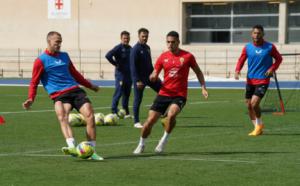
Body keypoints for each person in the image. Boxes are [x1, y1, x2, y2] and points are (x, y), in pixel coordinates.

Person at [22, 31, 103, 160]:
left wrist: (90, 86)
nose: (59, 44)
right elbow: (34, 81)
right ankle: (71, 146)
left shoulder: (65, 56)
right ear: (49, 42)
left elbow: (75, 74)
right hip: (59, 95)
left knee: (90, 115)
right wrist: (31, 98)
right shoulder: (40, 61)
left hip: (75, 91)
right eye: (57, 42)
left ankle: (91, 151)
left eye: (60, 42)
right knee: (62, 115)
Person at [133, 31, 208, 154]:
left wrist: (203, 87)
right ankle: (141, 144)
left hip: (179, 94)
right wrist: (153, 76)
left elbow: (198, 72)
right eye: (168, 42)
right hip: (164, 93)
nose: (170, 44)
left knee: (171, 115)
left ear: (178, 42)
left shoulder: (188, 56)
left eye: (173, 42)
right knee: (149, 122)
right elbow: (155, 73)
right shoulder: (163, 57)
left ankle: (163, 140)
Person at [235, 25, 282, 136]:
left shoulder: (270, 47)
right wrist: (237, 70)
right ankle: (257, 127)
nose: (257, 35)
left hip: (263, 80)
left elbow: (279, 59)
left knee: (254, 103)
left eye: (259, 33)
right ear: (252, 34)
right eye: (255, 33)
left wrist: (272, 68)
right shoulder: (247, 47)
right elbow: (241, 59)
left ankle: (259, 125)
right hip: (250, 80)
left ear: (263, 34)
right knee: (249, 105)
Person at [130, 28, 161, 128]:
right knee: (138, 99)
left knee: (163, 91)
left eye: (146, 36)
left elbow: (149, 64)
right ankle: (136, 122)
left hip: (149, 77)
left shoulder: (147, 47)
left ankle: (159, 110)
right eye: (143, 36)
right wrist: (137, 81)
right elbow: (133, 67)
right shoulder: (135, 49)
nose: (145, 38)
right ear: (138, 36)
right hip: (140, 80)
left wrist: (154, 74)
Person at [105, 31, 132, 118]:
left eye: (127, 38)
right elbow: (108, 55)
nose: (126, 40)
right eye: (124, 38)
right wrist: (115, 64)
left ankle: (126, 112)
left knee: (126, 94)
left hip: (129, 75)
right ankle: (113, 111)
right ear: (121, 39)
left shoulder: (130, 48)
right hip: (120, 75)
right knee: (119, 92)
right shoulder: (118, 48)